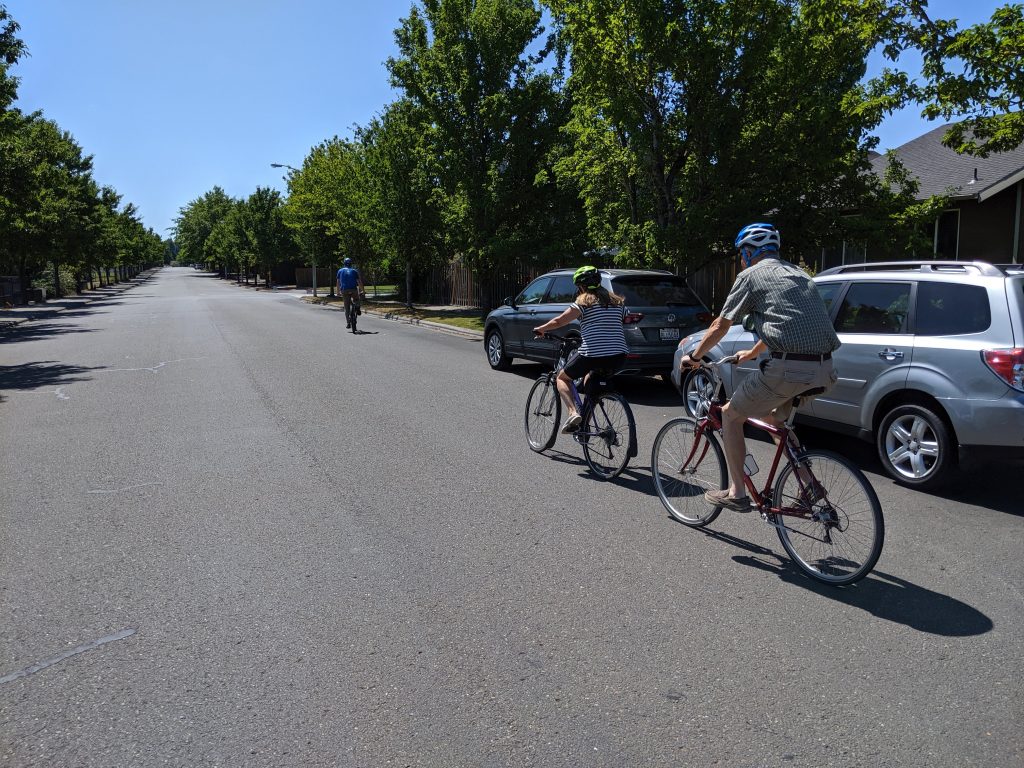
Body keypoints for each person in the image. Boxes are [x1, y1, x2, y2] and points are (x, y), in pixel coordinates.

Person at [680, 223, 840, 512]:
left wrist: (694, 355)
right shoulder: (799, 274)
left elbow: (720, 325)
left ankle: (736, 492)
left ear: (749, 252)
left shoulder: (751, 276)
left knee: (730, 415)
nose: (741, 259)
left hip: (788, 369)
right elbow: (789, 324)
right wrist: (752, 353)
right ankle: (810, 484)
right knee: (775, 421)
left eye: (741, 254)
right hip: (825, 369)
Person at [533, 265, 628, 433]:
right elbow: (624, 320)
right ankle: (584, 426)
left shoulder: (583, 302)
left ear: (581, 286)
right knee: (590, 381)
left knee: (562, 377)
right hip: (619, 356)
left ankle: (573, 413)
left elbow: (560, 321)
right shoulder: (617, 302)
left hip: (593, 354)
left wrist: (542, 329)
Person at [336, 257, 365, 328]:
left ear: (344, 263)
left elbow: (338, 282)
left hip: (344, 290)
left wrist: (338, 292)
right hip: (353, 289)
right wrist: (363, 290)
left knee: (347, 307)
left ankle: (348, 323)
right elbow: (359, 282)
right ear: (351, 264)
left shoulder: (340, 271)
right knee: (356, 299)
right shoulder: (354, 271)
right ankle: (357, 307)